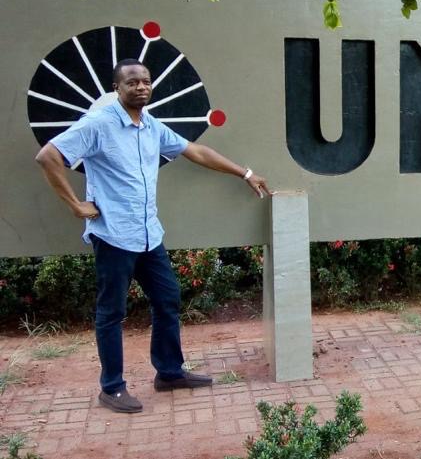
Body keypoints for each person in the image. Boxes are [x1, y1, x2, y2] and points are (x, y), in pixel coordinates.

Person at [34, 58, 270, 413]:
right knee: (111, 313)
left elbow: (195, 151)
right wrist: (75, 205)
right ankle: (111, 388)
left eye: (145, 81)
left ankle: (169, 373)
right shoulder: (98, 124)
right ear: (117, 87)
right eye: (132, 82)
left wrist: (245, 172)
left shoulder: (150, 125)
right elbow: (48, 155)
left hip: (148, 235)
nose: (141, 87)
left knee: (168, 299)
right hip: (113, 235)